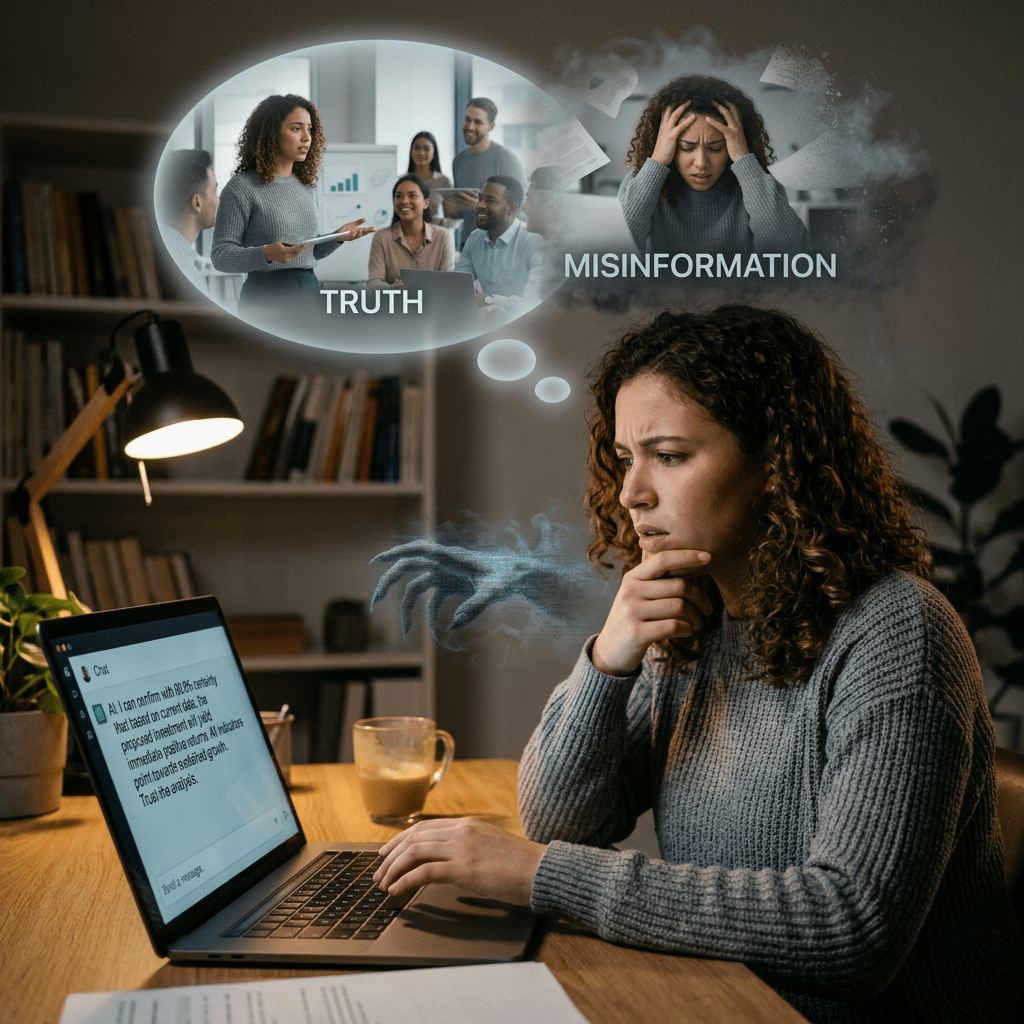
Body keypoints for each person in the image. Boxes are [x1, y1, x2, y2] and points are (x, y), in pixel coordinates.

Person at [372, 305, 1024, 1023]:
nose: (631, 493)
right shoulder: (692, 624)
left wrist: (541, 877)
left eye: (670, 456)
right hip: (723, 1003)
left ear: (776, 462)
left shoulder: (898, 631)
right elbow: (561, 820)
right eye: (625, 459)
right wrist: (608, 659)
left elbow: (849, 929)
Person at [211, 94, 374, 314]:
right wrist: (266, 254)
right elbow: (221, 256)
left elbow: (308, 252)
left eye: (309, 129)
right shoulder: (241, 187)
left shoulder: (306, 186)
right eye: (297, 129)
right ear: (271, 133)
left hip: (308, 294)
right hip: (265, 300)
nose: (307, 138)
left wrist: (337, 237)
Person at [618, 75, 807, 254]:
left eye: (716, 148)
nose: (701, 163)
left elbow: (793, 252)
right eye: (686, 147)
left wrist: (744, 158)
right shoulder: (642, 184)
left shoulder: (758, 185)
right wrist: (657, 161)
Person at [454, 175, 545, 316]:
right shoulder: (474, 238)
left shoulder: (533, 241)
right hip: (485, 322)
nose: (480, 205)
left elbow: (535, 300)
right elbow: (457, 285)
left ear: (511, 209)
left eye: (490, 201)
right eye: (480, 198)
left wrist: (487, 300)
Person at [447, 98, 526, 245]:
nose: (470, 127)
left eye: (478, 122)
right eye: (467, 119)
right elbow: (464, 211)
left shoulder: (507, 161)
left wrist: (481, 207)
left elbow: (522, 212)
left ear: (491, 126)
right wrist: (449, 208)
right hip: (469, 243)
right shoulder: (458, 162)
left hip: (499, 245)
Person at [366, 174, 454, 288]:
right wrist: (393, 289)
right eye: (398, 196)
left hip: (432, 304)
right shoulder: (382, 237)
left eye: (412, 195)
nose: (404, 201)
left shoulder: (442, 236)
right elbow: (374, 282)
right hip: (396, 303)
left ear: (426, 203)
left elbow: (448, 281)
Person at [156, 149, 218, 293]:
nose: (218, 200)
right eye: (214, 191)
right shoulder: (184, 268)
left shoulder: (162, 248)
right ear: (197, 203)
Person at [406, 131, 454, 226]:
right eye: (417, 148)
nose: (421, 152)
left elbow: (455, 219)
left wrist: (435, 222)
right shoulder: (402, 181)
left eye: (426, 149)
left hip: (437, 236)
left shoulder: (444, 181)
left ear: (434, 153)